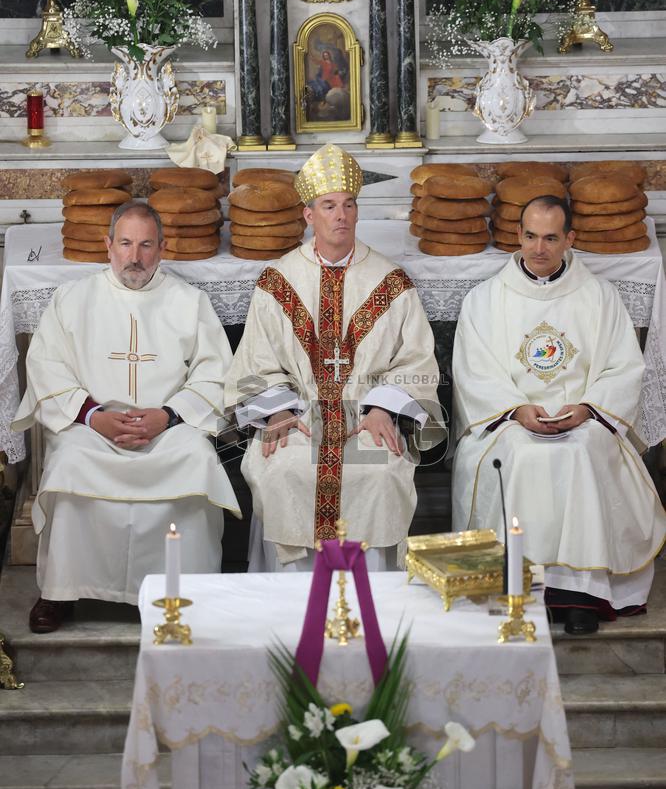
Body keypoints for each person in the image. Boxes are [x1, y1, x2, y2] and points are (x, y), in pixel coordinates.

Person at [12, 200, 240, 633]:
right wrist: (92, 414)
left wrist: (169, 415)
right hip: (94, 429)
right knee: (70, 460)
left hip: (168, 428)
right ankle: (61, 589)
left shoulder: (188, 301)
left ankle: (187, 591)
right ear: (108, 246)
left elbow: (217, 372)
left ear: (162, 248)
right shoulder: (72, 298)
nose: (135, 257)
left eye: (146, 245)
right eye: (126, 244)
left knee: (196, 457)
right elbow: (45, 365)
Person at [451, 194, 665, 635]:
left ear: (570, 238)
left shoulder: (600, 297)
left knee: (582, 451)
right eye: (530, 236)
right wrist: (515, 410)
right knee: (523, 452)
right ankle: (525, 589)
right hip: (510, 421)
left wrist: (588, 408)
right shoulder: (485, 299)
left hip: (583, 419)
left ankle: (581, 596)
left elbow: (624, 367)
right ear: (518, 235)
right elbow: (473, 371)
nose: (539, 248)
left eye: (551, 238)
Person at [225, 144, 445, 571]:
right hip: (298, 416)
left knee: (380, 474)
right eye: (329, 206)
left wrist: (384, 407)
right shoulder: (278, 282)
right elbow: (255, 362)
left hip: (367, 416)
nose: (340, 215)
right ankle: (291, 603)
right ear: (310, 215)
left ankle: (371, 602)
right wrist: (274, 414)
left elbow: (416, 359)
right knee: (284, 469)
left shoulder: (391, 282)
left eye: (348, 205)